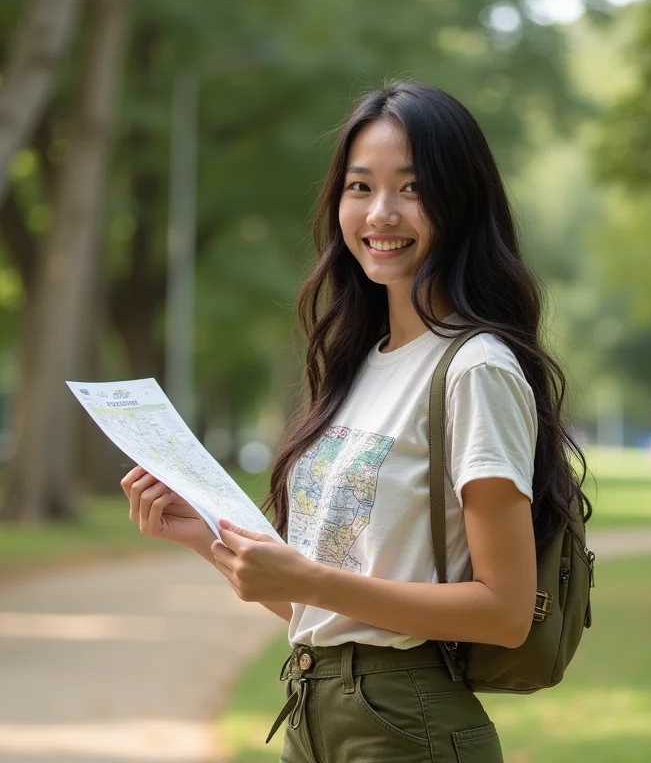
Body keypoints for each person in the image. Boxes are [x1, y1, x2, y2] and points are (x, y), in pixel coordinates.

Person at [120, 82, 591, 762]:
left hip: (407, 728)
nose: (382, 213)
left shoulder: (474, 370)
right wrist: (202, 536)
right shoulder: (357, 367)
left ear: (461, 201)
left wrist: (309, 581)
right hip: (315, 712)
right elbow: (332, 612)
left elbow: (506, 612)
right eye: (360, 187)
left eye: (412, 188)